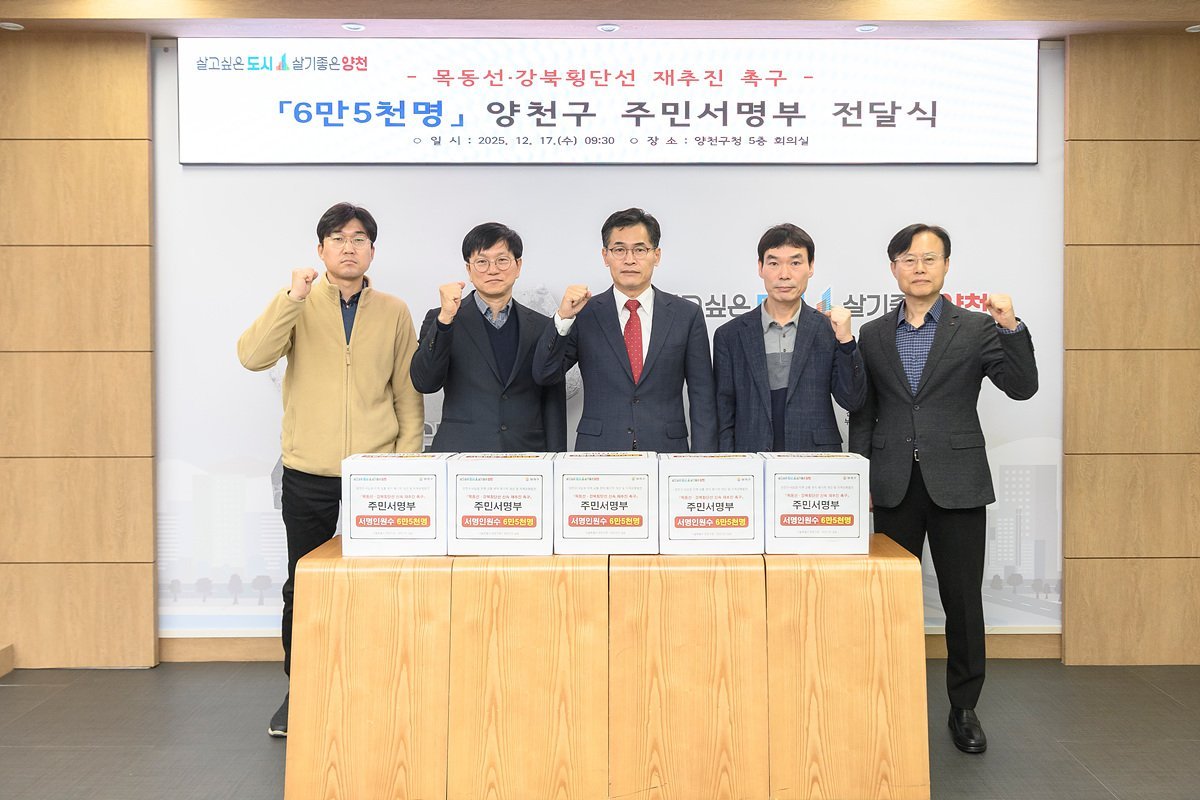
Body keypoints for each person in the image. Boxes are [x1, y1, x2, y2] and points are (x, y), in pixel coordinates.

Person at [849, 223, 1038, 754]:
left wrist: (1011, 327)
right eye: (908, 259)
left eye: (930, 258)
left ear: (947, 266)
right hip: (893, 483)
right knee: (890, 600)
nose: (920, 267)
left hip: (957, 482)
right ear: (893, 269)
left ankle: (964, 707)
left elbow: (1022, 387)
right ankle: (890, 699)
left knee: (962, 601)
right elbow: (864, 412)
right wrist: (860, 475)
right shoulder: (873, 334)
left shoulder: (977, 327)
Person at [237, 202, 424, 738]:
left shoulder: (394, 310)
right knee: (305, 584)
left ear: (372, 251)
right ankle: (302, 689)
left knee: (381, 584)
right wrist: (291, 298)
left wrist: (406, 465)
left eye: (359, 239)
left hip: (376, 471)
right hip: (308, 470)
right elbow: (253, 356)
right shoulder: (297, 303)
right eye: (338, 238)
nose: (349, 247)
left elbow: (407, 392)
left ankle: (379, 682)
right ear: (320, 250)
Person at [532, 207, 716, 452]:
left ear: (656, 255)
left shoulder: (686, 315)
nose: (630, 260)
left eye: (640, 249)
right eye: (619, 250)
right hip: (598, 452)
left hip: (666, 452)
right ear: (605, 255)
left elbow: (703, 396)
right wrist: (563, 318)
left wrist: (703, 461)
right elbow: (545, 374)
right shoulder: (584, 313)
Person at [410, 222, 566, 451]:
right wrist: (444, 321)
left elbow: (552, 404)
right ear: (469, 269)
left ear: (518, 266)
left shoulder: (543, 326)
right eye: (482, 262)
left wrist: (556, 460)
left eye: (502, 260)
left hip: (526, 456)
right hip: (461, 454)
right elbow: (424, 382)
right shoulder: (441, 319)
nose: (493, 270)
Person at [713, 223, 866, 452]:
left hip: (815, 459)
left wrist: (846, 342)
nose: (784, 275)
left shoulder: (829, 330)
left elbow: (853, 400)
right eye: (774, 263)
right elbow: (724, 413)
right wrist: (730, 465)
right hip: (751, 459)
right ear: (760, 267)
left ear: (811, 267)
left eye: (795, 263)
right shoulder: (730, 335)